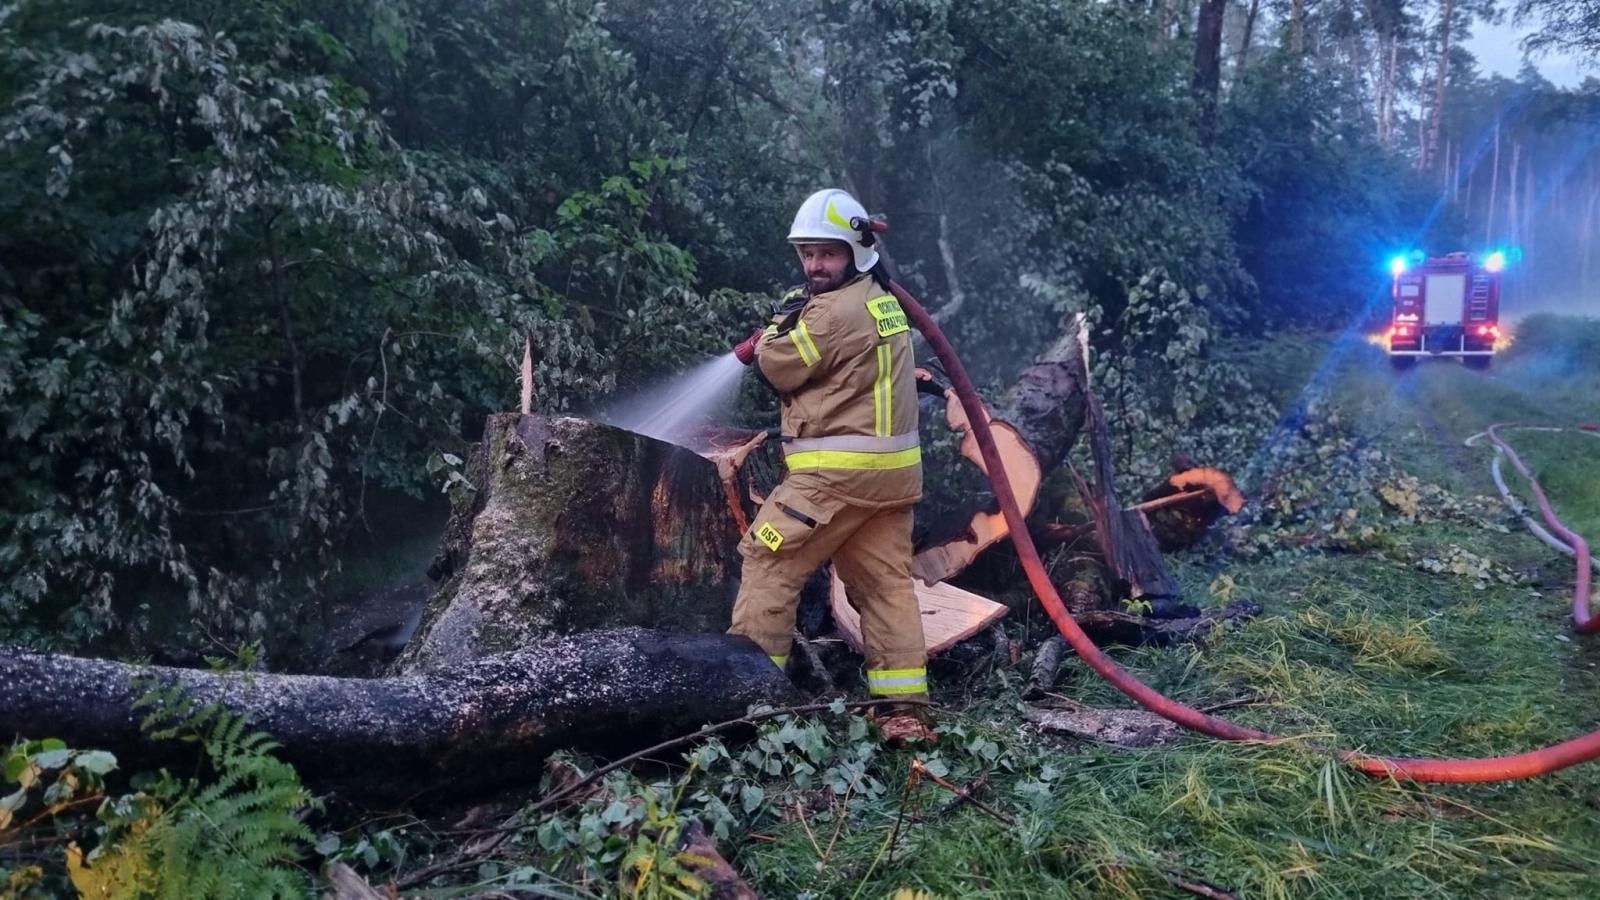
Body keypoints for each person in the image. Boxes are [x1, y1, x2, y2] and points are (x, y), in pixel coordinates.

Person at [728, 188, 934, 743]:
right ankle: (903, 709)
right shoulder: (879, 300)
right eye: (807, 254)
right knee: (884, 587)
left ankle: (749, 705)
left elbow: (779, 366)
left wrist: (776, 328)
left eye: (828, 254)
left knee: (767, 562)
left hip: (835, 477)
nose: (815, 265)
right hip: (891, 481)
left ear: (855, 251)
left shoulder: (833, 313)